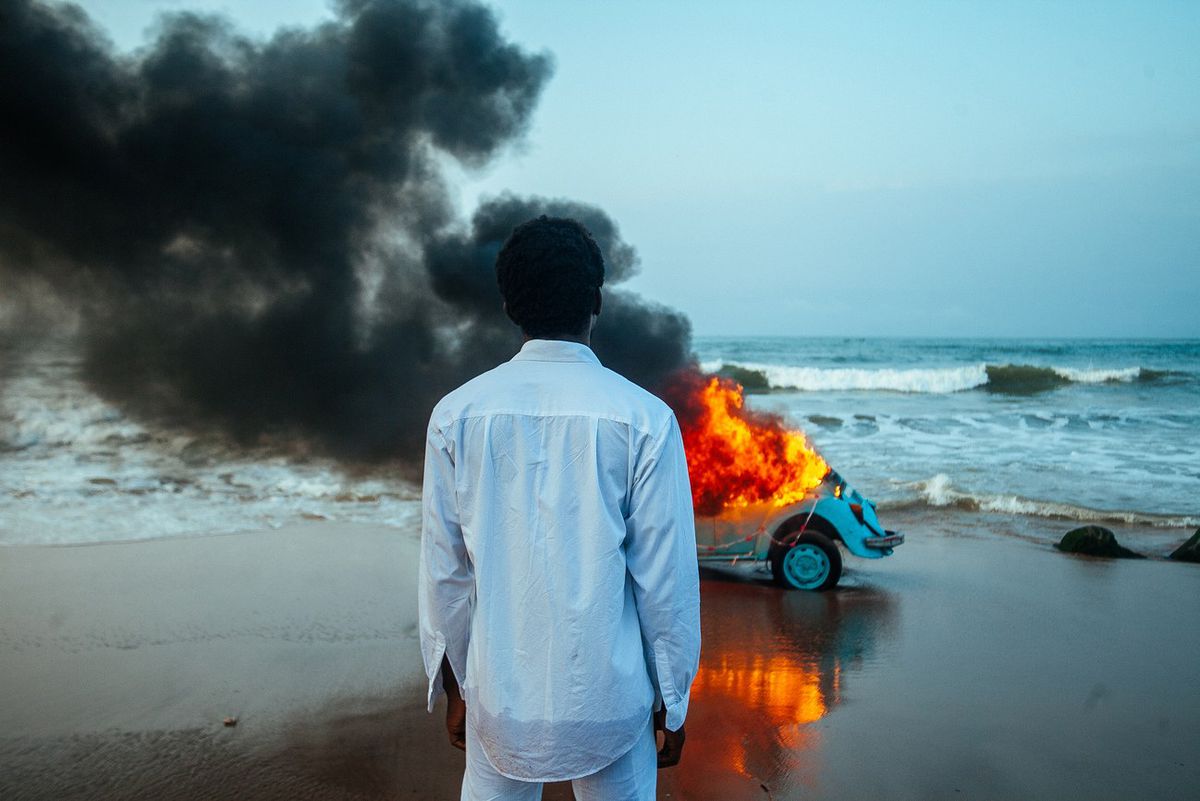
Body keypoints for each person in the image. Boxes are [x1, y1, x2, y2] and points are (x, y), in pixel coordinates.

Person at [419, 215, 701, 800]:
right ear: (596, 301)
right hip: (610, 703)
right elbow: (666, 582)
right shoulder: (644, 419)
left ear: (508, 305)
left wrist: (457, 692)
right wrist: (674, 701)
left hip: (499, 700)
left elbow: (445, 573)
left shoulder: (456, 415)